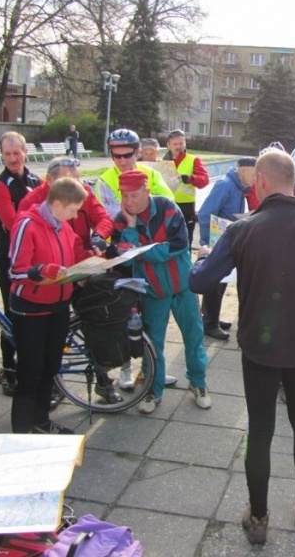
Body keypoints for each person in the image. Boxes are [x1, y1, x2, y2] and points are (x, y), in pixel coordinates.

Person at [189, 149, 295, 545]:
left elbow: (200, 283)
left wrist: (201, 259)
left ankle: (259, 517)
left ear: (262, 181)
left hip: (259, 351)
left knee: (261, 431)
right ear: (294, 182)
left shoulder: (242, 229)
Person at [109, 169, 211, 414]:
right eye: (124, 195)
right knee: (152, 345)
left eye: (134, 195)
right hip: (153, 292)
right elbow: (121, 258)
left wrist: (140, 251)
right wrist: (133, 230)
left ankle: (198, 384)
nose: (128, 201)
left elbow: (179, 246)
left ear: (147, 191)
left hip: (183, 287)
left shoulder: (167, 208)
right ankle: (153, 390)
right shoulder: (121, 220)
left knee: (194, 338)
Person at [8, 177, 88, 434]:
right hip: (31, 307)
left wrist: (93, 264)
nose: (75, 216)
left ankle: (41, 421)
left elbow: (73, 258)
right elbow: (16, 271)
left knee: (50, 367)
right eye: (73, 210)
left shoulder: (63, 226)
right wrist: (42, 270)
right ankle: (21, 430)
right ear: (56, 203)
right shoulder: (27, 224)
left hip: (59, 305)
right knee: (30, 371)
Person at [0, 131, 42, 396]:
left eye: (16, 152)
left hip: (36, 256)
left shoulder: (35, 180)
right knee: (12, 314)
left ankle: (29, 364)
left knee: (32, 313)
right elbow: (13, 223)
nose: (12, 158)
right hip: (10, 258)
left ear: (25, 152)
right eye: (6, 153)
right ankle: (9, 369)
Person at [196, 157, 257, 341]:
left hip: (226, 240)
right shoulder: (225, 185)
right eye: (253, 174)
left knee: (221, 282)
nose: (255, 179)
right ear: (243, 170)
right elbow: (206, 213)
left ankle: (211, 317)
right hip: (217, 242)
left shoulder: (238, 188)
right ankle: (209, 324)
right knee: (215, 283)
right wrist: (208, 242)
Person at [19, 157, 113, 256]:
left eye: (77, 181)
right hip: (52, 262)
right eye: (67, 182)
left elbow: (104, 218)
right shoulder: (31, 202)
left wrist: (98, 235)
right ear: (50, 179)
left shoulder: (83, 193)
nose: (74, 188)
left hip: (87, 260)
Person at [95, 128, 174, 220]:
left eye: (127, 155)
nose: (122, 161)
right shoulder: (104, 181)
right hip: (119, 233)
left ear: (137, 153)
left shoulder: (152, 174)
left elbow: (168, 202)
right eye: (117, 156)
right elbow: (111, 215)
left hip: (150, 232)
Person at [165, 129, 209, 248]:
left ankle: (186, 265)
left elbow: (204, 180)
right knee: (166, 238)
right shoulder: (162, 162)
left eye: (181, 143)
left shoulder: (193, 160)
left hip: (186, 206)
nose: (179, 147)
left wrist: (191, 178)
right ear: (168, 145)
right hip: (167, 205)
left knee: (186, 239)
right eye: (175, 144)